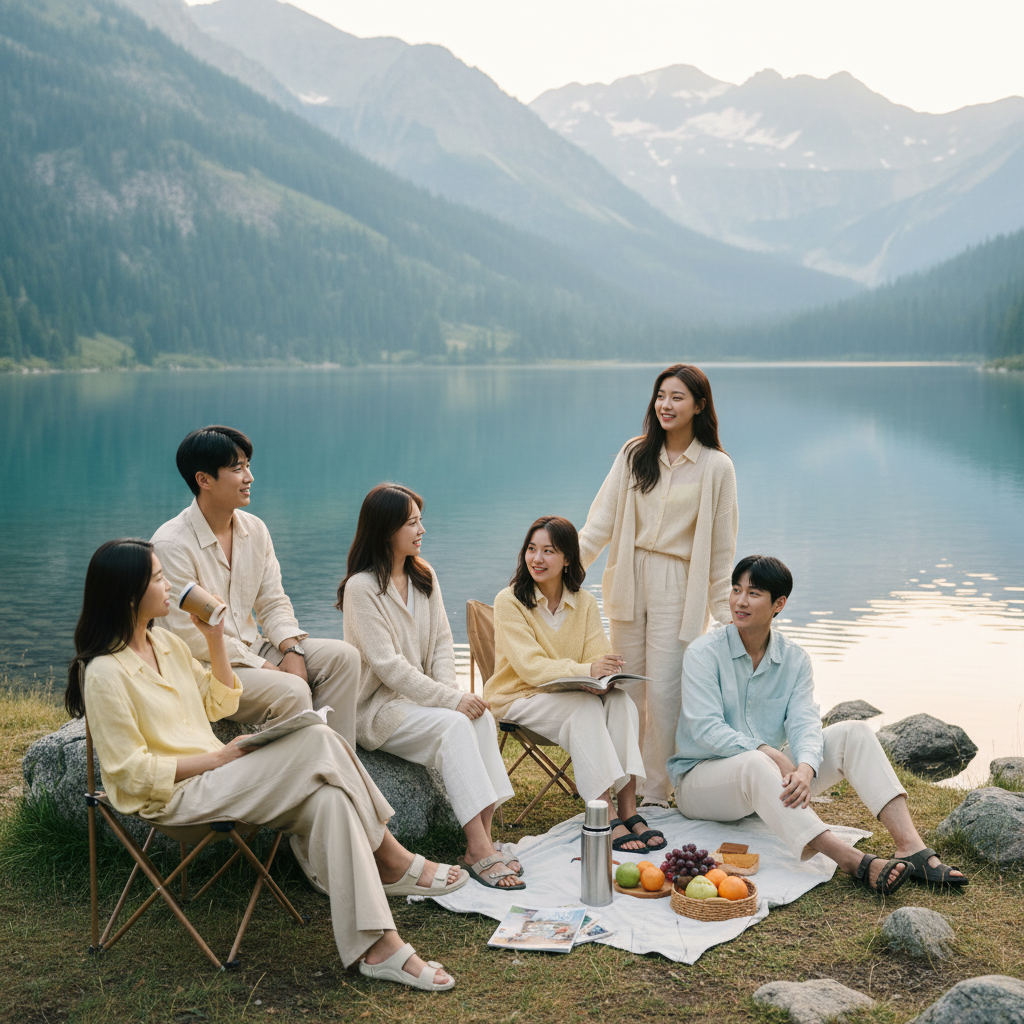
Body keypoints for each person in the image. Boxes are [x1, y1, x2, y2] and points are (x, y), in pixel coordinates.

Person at [67, 539, 468, 991]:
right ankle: (392, 858)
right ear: (128, 595)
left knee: (331, 799)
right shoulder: (103, 672)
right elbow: (127, 773)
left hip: (221, 780)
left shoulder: (167, 644)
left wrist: (214, 637)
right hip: (175, 797)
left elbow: (221, 701)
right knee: (317, 737)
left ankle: (379, 947)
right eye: (157, 579)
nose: (168, 586)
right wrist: (220, 756)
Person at [668, 554, 968, 894]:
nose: (739, 601)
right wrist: (772, 754)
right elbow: (705, 728)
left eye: (753, 593)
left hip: (765, 783)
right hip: (701, 784)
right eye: (736, 589)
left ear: (778, 604)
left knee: (853, 732)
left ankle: (910, 846)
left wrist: (807, 768)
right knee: (756, 759)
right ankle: (852, 860)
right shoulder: (703, 653)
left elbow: (805, 722)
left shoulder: (794, 659)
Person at [338, 485, 520, 890]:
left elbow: (441, 642)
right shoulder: (361, 588)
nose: (422, 529)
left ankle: (482, 842)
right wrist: (449, 701)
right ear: (386, 529)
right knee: (456, 724)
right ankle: (478, 847)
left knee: (478, 720)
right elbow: (387, 666)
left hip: (419, 701)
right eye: (412, 522)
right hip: (379, 710)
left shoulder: (424, 575)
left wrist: (454, 698)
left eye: (421, 519)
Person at [578, 364, 738, 809]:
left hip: (680, 585)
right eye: (660, 396)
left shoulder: (716, 467)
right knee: (625, 687)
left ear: (699, 405)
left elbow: (722, 555)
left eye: (677, 398)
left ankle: (655, 791)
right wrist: (563, 572)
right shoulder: (634, 454)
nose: (665, 405)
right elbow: (599, 525)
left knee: (667, 691)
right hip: (628, 577)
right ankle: (621, 785)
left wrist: (730, 620)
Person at [152, 426, 360, 745]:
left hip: (255, 648)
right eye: (237, 469)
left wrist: (291, 649)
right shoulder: (171, 545)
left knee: (344, 657)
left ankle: (337, 762)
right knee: (292, 689)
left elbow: (273, 602)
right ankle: (300, 776)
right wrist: (266, 667)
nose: (249, 477)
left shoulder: (255, 529)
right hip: (208, 667)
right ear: (204, 480)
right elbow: (187, 636)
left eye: (248, 465)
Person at [485, 516, 664, 854]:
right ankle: (603, 813)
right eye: (531, 549)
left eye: (548, 551)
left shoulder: (582, 602)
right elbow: (531, 667)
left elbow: (597, 653)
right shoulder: (509, 601)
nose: (537, 558)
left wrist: (603, 678)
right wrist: (586, 670)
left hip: (568, 694)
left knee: (622, 702)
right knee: (584, 708)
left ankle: (629, 808)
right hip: (520, 696)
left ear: (568, 558)